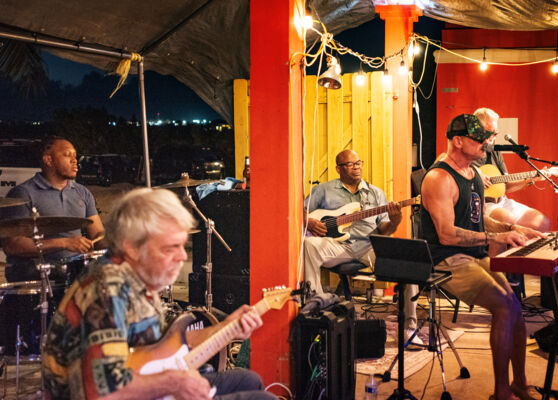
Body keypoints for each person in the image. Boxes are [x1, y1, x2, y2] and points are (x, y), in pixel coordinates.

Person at [42, 188, 277, 400]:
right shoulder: (107, 290)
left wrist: (227, 326)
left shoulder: (141, 277)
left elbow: (163, 347)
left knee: (248, 380)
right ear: (132, 247)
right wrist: (175, 382)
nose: (183, 257)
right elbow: (103, 392)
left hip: (140, 381)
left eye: (182, 246)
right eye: (170, 248)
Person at [420, 113, 544, 400]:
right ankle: (501, 391)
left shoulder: (474, 173)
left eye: (487, 138)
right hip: (447, 260)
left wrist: (512, 228)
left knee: (516, 307)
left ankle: (519, 383)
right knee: (504, 307)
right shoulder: (439, 178)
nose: (486, 144)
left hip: (474, 254)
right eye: (479, 139)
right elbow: (447, 234)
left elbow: (477, 220)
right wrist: (494, 239)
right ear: (458, 140)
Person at [303, 149, 421, 343]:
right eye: (350, 164)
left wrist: (395, 220)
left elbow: (385, 230)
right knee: (309, 244)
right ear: (338, 169)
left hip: (369, 246)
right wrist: (308, 220)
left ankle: (410, 328)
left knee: (406, 262)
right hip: (338, 245)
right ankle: (315, 306)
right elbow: (301, 209)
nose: (356, 167)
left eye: (359, 163)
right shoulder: (324, 190)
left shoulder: (375, 194)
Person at [1, 136, 105, 282]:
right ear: (48, 160)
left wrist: (117, 243)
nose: (74, 160)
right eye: (67, 155)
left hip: (74, 271)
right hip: (37, 273)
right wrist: (64, 243)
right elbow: (12, 245)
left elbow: (98, 235)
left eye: (75, 156)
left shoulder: (82, 193)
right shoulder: (23, 193)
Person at [472, 108, 550, 235]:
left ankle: (519, 254)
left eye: (495, 132)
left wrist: (531, 179)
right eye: (488, 132)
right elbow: (447, 160)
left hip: (501, 201)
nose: (493, 136)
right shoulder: (467, 150)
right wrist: (476, 172)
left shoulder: (494, 151)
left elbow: (505, 186)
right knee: (506, 218)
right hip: (481, 204)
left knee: (541, 222)